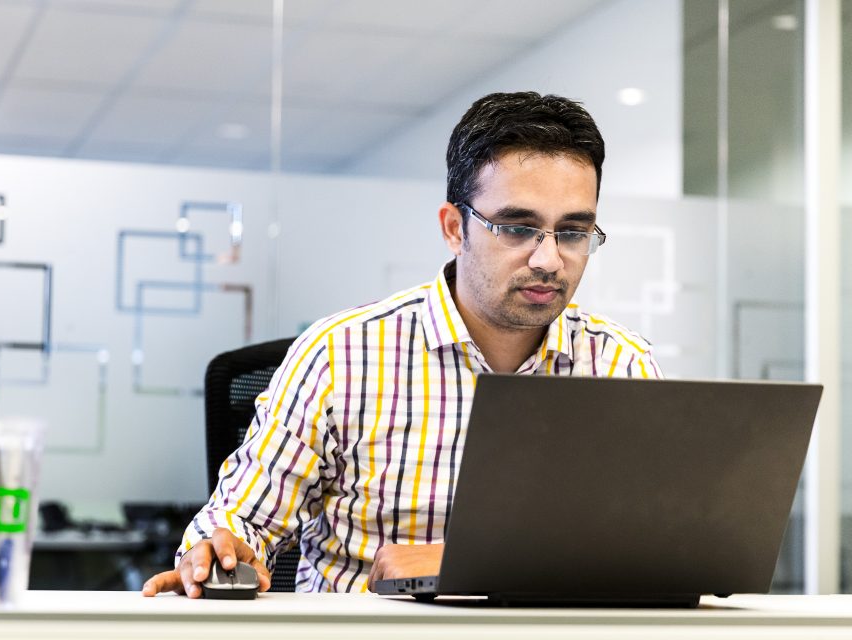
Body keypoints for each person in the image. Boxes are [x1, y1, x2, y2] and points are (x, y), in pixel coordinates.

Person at [142, 90, 662, 598]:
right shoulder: (338, 357)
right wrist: (220, 549)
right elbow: (239, 520)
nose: (549, 259)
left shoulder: (621, 365)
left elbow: (662, 548)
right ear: (455, 228)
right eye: (517, 228)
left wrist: (456, 563)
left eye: (573, 232)